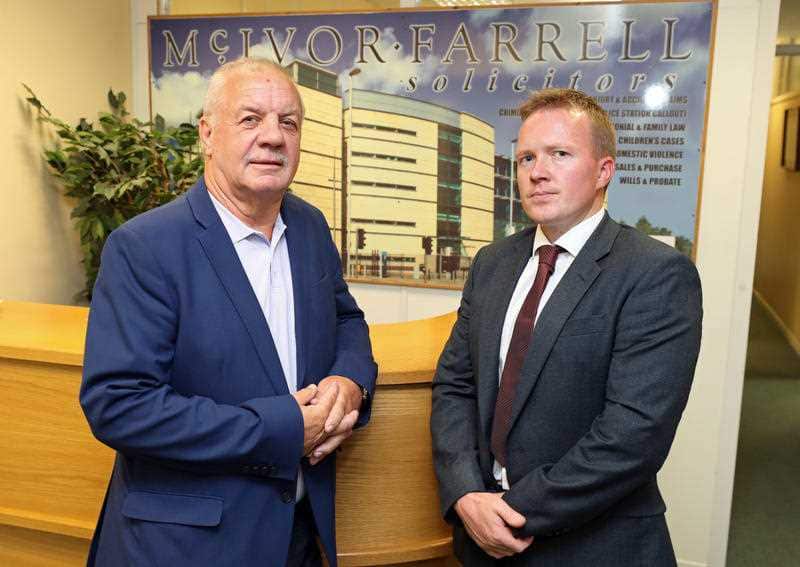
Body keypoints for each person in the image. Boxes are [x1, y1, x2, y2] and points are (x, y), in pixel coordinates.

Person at [80, 58, 377, 567]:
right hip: (186, 548)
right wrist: (282, 428)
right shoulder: (145, 246)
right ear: (207, 134)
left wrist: (350, 381)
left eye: (288, 122)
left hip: (299, 537)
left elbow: (346, 318)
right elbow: (120, 405)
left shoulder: (309, 227)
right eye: (250, 119)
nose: (273, 137)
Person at [430, 88, 702, 566]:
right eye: (526, 158)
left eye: (560, 154)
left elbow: (634, 433)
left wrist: (510, 512)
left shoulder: (656, 274)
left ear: (604, 170)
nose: (537, 172)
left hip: (593, 545)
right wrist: (466, 495)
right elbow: (455, 385)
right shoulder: (493, 263)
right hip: (481, 538)